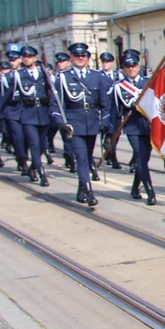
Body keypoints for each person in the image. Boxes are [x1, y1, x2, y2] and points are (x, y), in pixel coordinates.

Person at [52, 43, 113, 207]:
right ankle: (88, 191)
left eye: (83, 56)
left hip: (92, 122)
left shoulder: (97, 76)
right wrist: (61, 123)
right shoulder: (63, 78)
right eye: (77, 56)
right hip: (74, 123)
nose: (80, 58)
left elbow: (105, 103)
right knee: (81, 158)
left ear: (87, 58)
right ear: (71, 58)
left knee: (87, 155)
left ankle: (80, 190)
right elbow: (56, 104)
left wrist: (105, 121)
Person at [112, 50, 156, 205]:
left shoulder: (148, 83)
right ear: (123, 68)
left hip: (148, 126)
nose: (131, 69)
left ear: (139, 66)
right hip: (132, 128)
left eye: (133, 65)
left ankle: (135, 187)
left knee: (144, 158)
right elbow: (116, 110)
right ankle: (150, 190)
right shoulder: (119, 87)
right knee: (140, 157)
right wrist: (110, 130)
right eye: (127, 66)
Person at [12, 47, 51, 186]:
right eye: (24, 57)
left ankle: (33, 167)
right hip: (28, 114)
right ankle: (41, 173)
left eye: (30, 56)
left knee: (41, 146)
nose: (27, 59)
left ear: (35, 58)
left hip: (43, 114)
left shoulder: (44, 73)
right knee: (34, 144)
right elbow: (8, 96)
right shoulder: (18, 75)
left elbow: (52, 92)